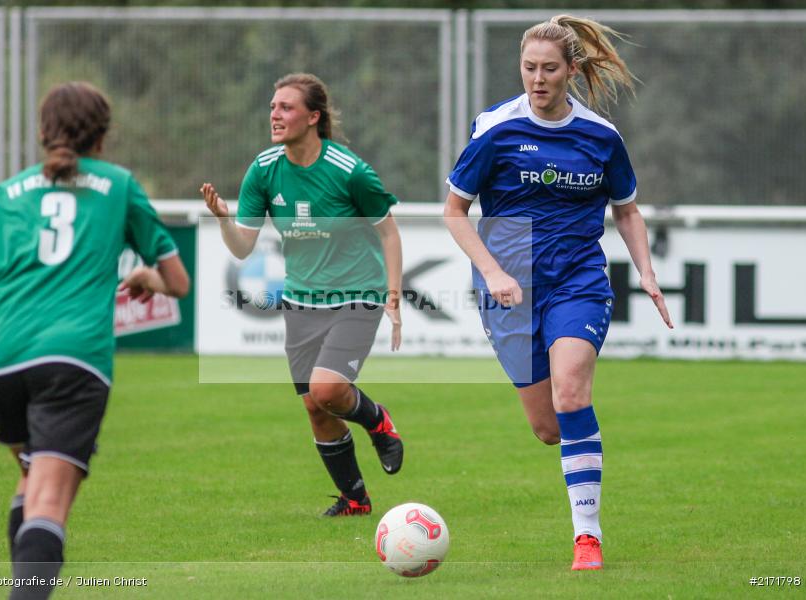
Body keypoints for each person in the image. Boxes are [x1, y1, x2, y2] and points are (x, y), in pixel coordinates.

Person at [0, 82, 189, 599]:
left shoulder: (8, 190)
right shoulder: (119, 185)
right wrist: (147, 279)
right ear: (103, 135)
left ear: (44, 132)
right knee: (49, 500)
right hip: (71, 361)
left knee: (31, 477)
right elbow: (177, 283)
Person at [444, 15, 673, 570]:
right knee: (548, 427)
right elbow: (454, 212)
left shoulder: (600, 137)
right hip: (510, 290)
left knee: (571, 393)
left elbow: (627, 210)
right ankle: (575, 460)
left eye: (550, 69)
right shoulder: (495, 128)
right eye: (529, 68)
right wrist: (494, 272)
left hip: (579, 280)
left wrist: (645, 271)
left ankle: (587, 538)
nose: (538, 79)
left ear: (572, 70)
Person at [201, 73, 404, 517]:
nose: (275, 114)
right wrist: (222, 220)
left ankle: (379, 422)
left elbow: (388, 233)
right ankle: (356, 499)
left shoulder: (350, 171)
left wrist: (392, 298)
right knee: (316, 408)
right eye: (273, 106)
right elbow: (243, 247)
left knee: (328, 388)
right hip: (301, 302)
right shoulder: (264, 169)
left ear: (313, 117)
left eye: (286, 107)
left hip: (357, 293)